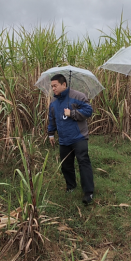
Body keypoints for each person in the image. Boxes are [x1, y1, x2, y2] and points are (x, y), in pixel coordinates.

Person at [47, 74, 95, 204]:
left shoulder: (78, 96)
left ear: (64, 84)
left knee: (83, 162)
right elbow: (52, 118)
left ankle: (88, 192)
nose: (53, 89)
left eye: (55, 86)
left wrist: (72, 113)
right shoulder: (54, 102)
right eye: (52, 86)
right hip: (64, 139)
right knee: (66, 165)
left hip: (79, 137)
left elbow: (88, 111)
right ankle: (71, 186)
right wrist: (51, 133)